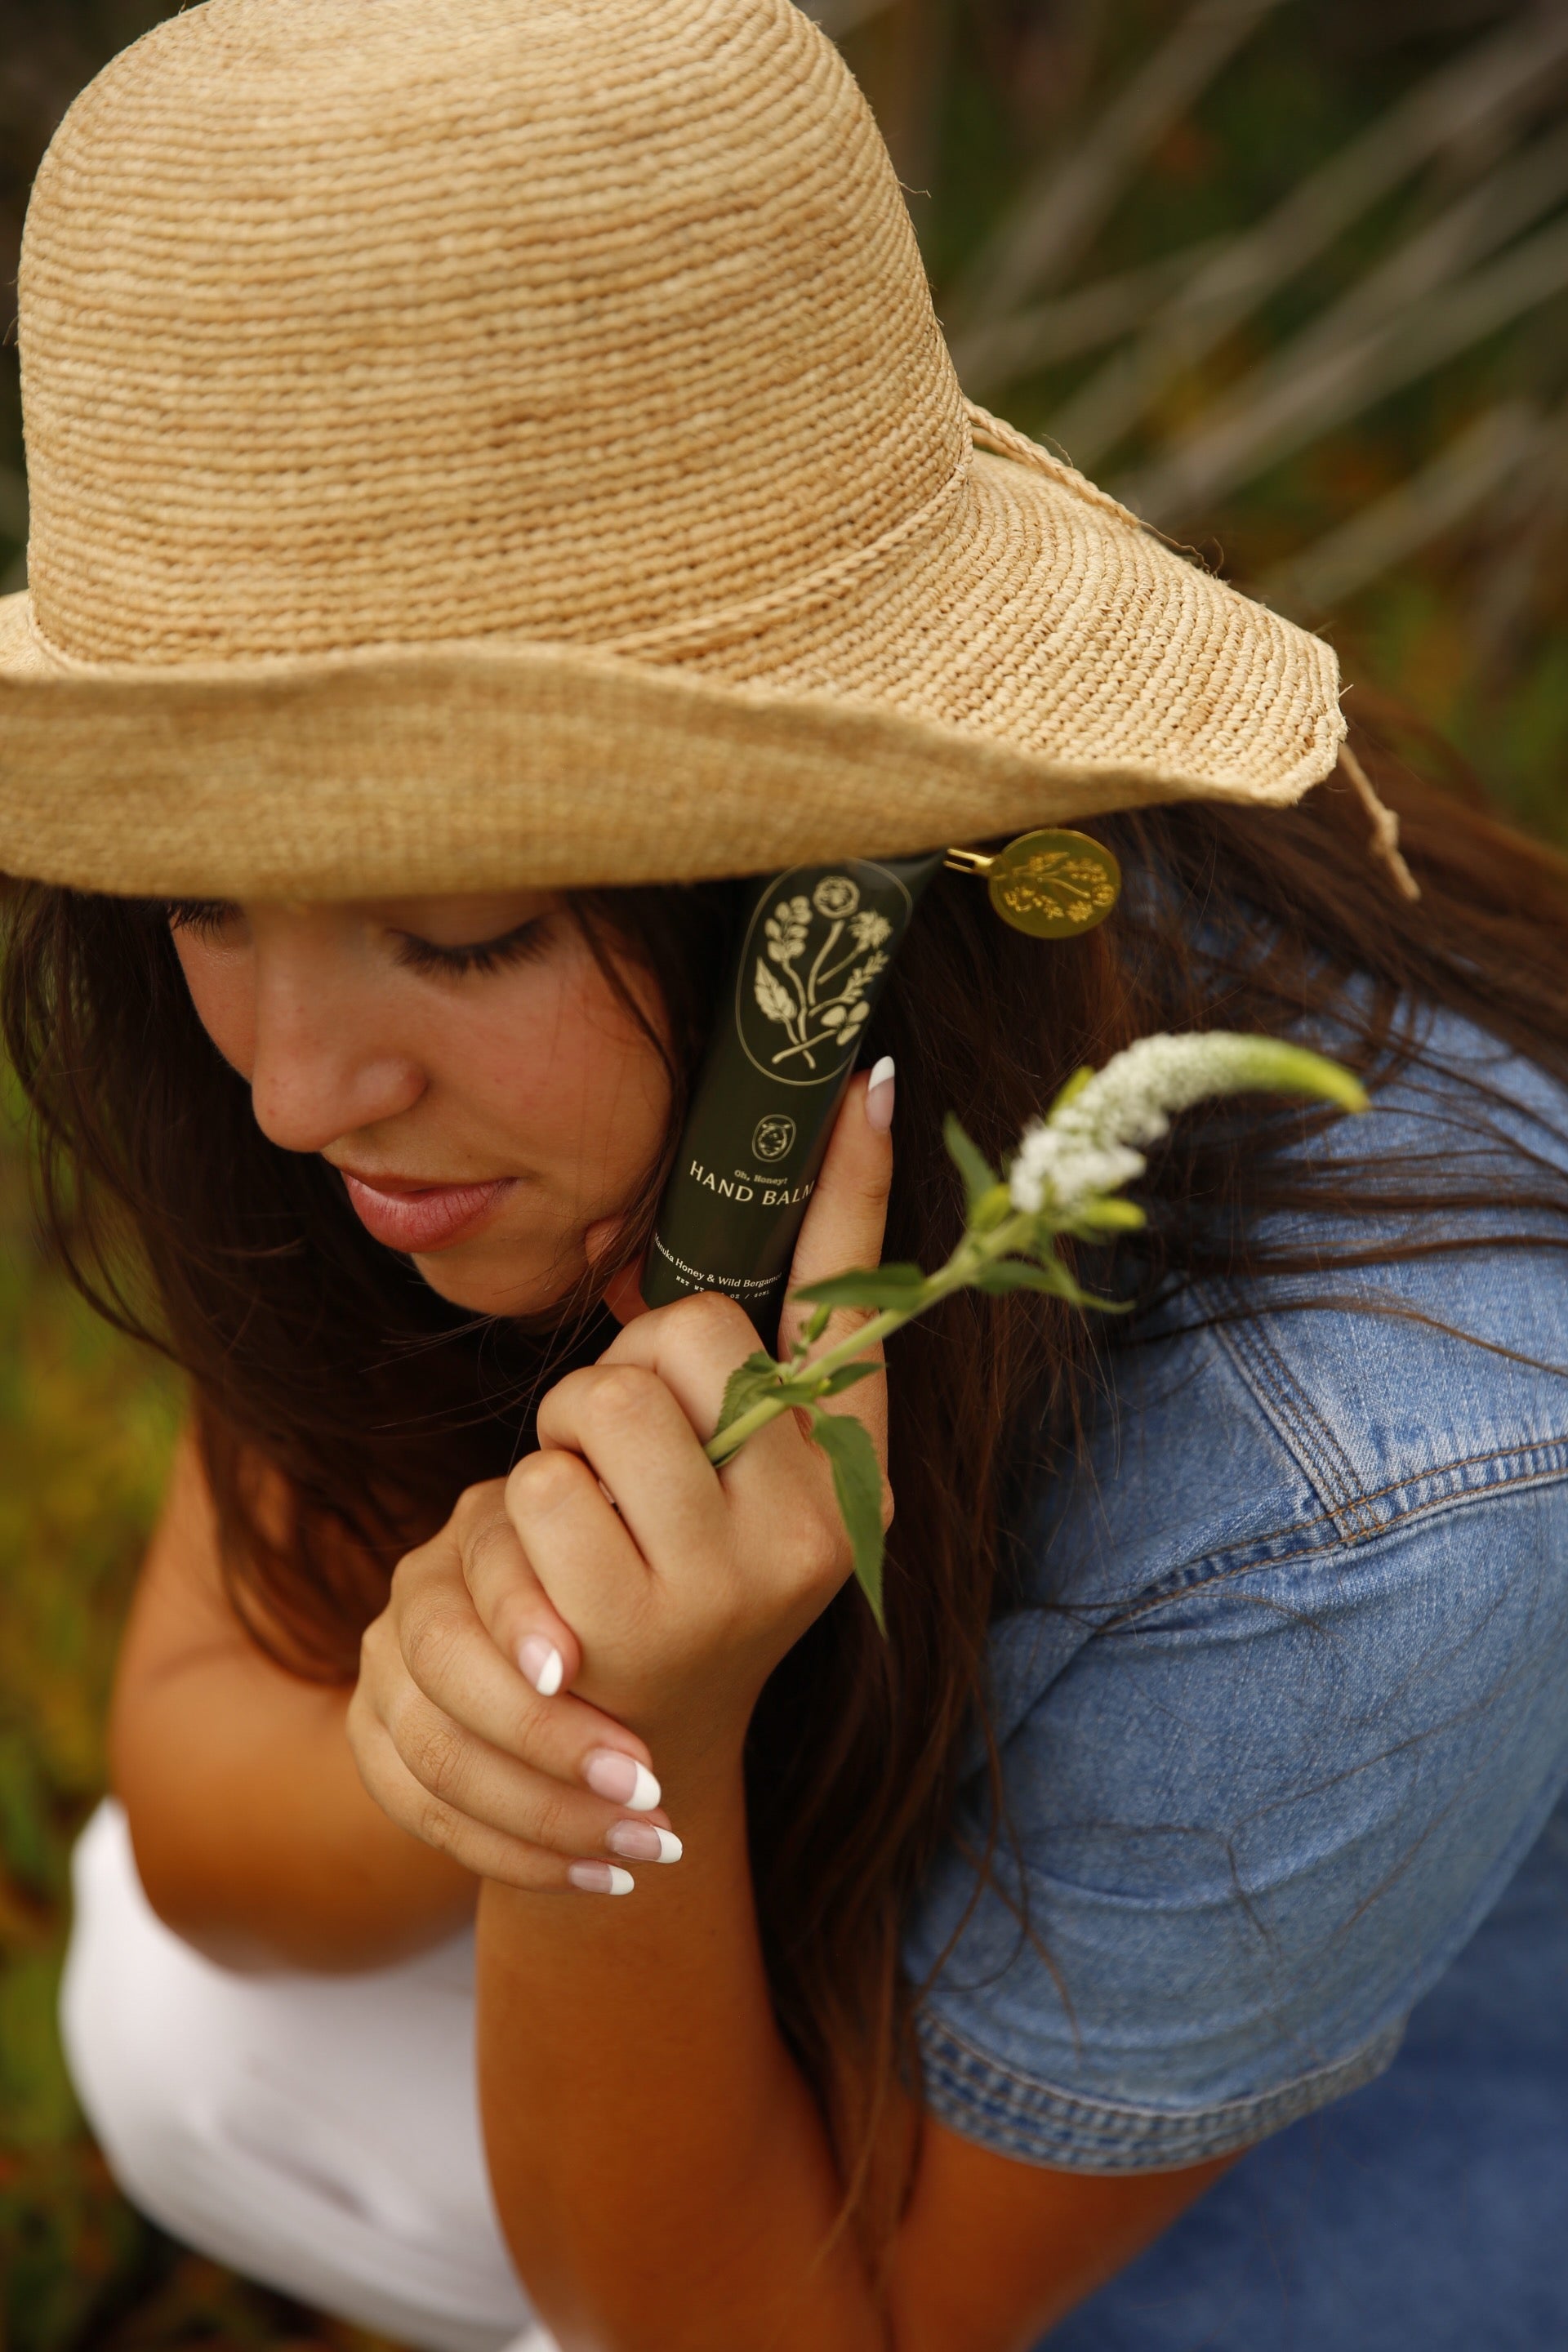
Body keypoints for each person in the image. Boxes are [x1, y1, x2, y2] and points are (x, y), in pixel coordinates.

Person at [2, 3, 1566, 2347]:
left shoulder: (1381, 1483)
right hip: (805, 1971)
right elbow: (209, 1810)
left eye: (463, 932)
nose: (296, 1094)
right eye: (202, 901)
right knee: (185, 2022)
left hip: (1295, 2179)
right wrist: (509, 1730)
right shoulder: (461, 1101)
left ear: (838, 883)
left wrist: (630, 1757)